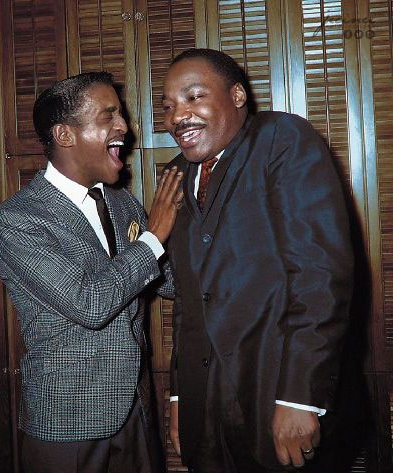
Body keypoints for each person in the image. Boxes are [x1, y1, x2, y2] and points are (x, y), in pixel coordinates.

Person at [161, 48, 353, 472]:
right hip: (205, 409)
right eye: (169, 106)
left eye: (194, 97)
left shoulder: (281, 139)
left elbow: (319, 275)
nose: (178, 116)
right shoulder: (175, 173)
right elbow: (190, 300)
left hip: (275, 390)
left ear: (237, 95)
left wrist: (299, 397)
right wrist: (181, 396)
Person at [0, 71, 184, 473]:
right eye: (109, 115)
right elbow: (90, 302)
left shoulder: (123, 203)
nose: (124, 127)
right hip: (66, 425)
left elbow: (168, 283)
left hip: (134, 412)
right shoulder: (16, 220)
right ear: (64, 135)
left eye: (121, 114)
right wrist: (155, 235)